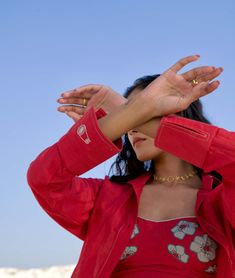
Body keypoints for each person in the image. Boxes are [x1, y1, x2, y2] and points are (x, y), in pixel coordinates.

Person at [27, 55, 235, 278]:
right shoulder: (105, 198)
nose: (132, 128)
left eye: (145, 115)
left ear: (181, 114)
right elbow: (44, 178)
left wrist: (125, 112)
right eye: (128, 119)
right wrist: (128, 115)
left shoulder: (221, 199)